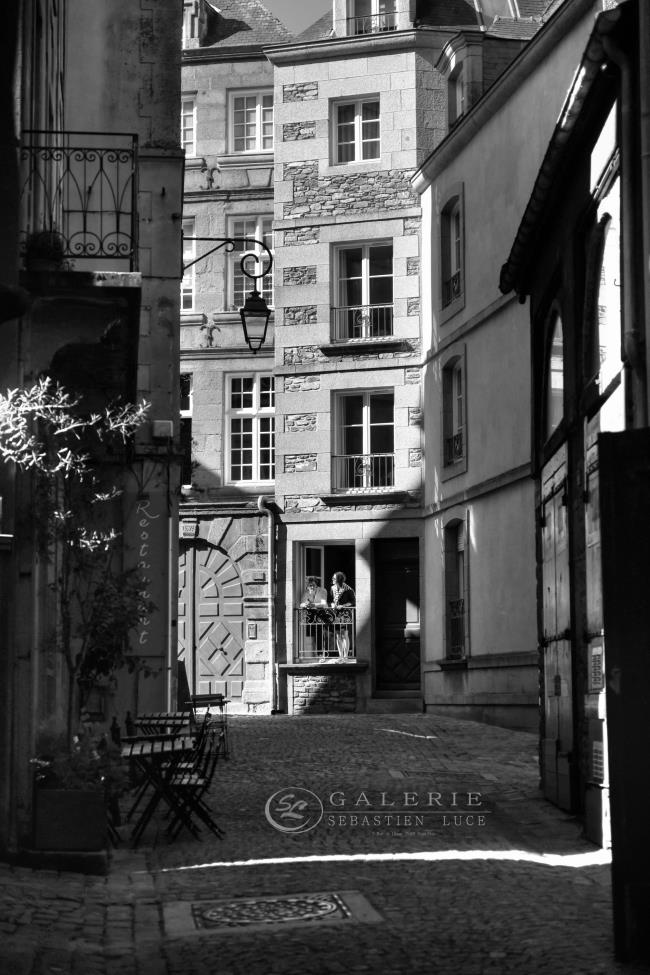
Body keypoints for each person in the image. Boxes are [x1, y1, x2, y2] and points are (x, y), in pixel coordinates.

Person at [299, 577, 329, 656]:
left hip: (321, 614)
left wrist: (313, 605)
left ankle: (321, 654)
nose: (312, 587)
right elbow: (301, 604)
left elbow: (324, 603)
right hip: (310, 615)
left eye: (313, 585)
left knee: (320, 634)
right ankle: (311, 654)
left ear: (316, 585)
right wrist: (305, 604)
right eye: (310, 585)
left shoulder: (322, 591)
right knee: (311, 634)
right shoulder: (306, 592)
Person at [330, 571, 356, 658]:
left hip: (346, 614)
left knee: (344, 635)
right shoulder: (333, 588)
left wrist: (343, 605)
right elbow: (331, 600)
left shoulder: (348, 589)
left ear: (339, 579)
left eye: (334, 578)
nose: (332, 579)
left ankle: (345, 656)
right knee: (338, 635)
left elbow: (353, 602)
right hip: (336, 614)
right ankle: (340, 656)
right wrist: (332, 604)